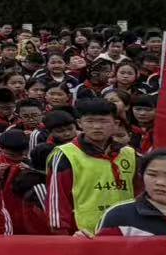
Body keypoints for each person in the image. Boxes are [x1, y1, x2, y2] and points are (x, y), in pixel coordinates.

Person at [47, 98, 137, 235]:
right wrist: (64, 235)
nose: (97, 127)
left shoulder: (129, 153)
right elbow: (57, 201)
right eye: (90, 121)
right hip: (84, 235)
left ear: (116, 124)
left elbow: (140, 193)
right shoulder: (66, 154)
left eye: (103, 121)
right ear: (80, 124)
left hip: (127, 232)